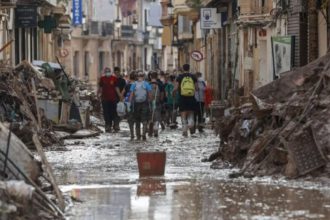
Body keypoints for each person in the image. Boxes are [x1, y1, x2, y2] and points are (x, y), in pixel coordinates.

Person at [173, 64, 197, 137]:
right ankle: (191, 124)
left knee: (183, 115)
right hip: (191, 98)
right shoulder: (193, 77)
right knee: (191, 113)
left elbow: (176, 88)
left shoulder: (179, 77)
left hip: (182, 98)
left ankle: (185, 131)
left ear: (183, 69)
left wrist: (173, 92)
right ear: (189, 68)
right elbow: (197, 87)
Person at [129, 71, 152, 141]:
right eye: (140, 76)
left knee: (138, 120)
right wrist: (150, 101)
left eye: (141, 76)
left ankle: (139, 135)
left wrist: (130, 102)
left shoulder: (134, 84)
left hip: (138, 103)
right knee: (143, 119)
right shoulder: (146, 84)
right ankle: (143, 134)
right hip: (142, 103)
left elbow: (131, 94)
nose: (140, 78)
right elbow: (149, 93)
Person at [98, 67, 122, 133]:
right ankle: (108, 125)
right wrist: (98, 94)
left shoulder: (114, 78)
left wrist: (120, 95)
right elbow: (100, 87)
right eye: (106, 71)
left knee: (114, 112)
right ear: (104, 72)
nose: (107, 73)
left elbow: (116, 87)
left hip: (113, 98)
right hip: (105, 99)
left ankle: (116, 125)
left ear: (110, 72)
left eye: (108, 71)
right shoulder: (102, 78)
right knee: (106, 112)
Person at [149, 71, 164, 137]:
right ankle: (156, 130)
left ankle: (150, 130)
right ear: (157, 76)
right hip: (157, 102)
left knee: (150, 117)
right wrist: (161, 100)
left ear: (150, 76)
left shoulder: (148, 84)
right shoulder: (160, 84)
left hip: (149, 102)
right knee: (157, 117)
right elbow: (162, 94)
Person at [124, 71, 136, 140]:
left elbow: (122, 93)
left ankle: (132, 134)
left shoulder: (127, 85)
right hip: (137, 103)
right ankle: (139, 133)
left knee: (130, 119)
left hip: (129, 103)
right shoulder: (138, 84)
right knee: (137, 119)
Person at [113, 67, 126, 132]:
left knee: (120, 112)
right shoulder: (112, 80)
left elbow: (124, 88)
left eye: (118, 72)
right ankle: (115, 124)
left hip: (120, 98)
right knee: (114, 111)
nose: (117, 73)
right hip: (113, 97)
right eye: (115, 72)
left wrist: (122, 96)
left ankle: (116, 124)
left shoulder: (122, 80)